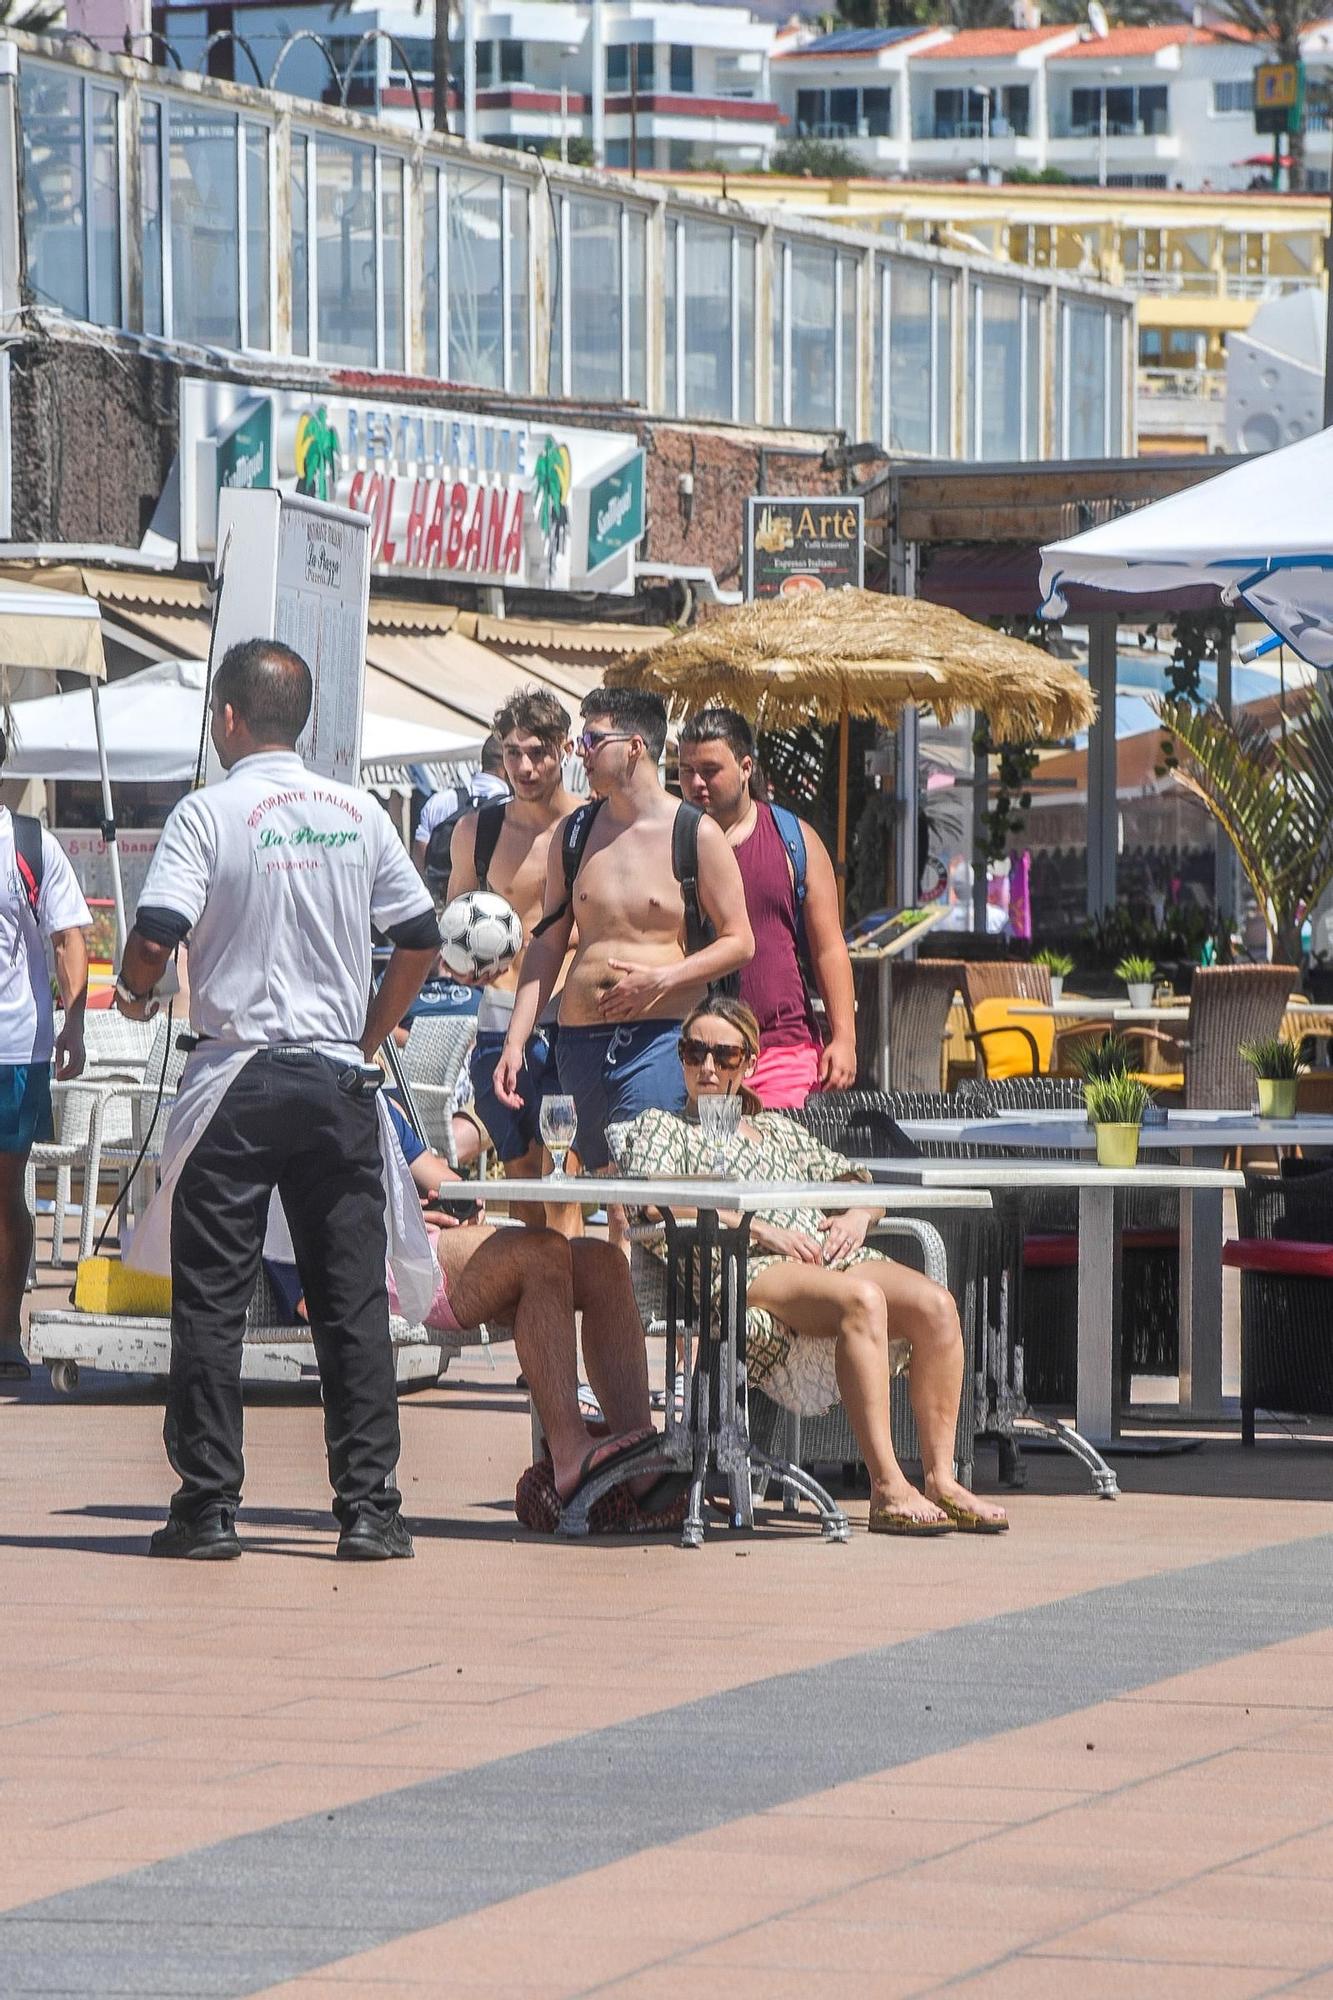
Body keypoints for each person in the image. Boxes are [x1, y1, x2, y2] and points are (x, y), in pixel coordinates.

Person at [116, 638, 441, 1563]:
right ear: (301, 720)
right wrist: (370, 1034)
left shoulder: (206, 813)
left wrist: (137, 994)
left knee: (212, 1303)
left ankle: (209, 1507)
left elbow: (155, 932)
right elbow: (418, 936)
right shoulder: (356, 810)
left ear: (226, 718)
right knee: (350, 1305)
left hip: (235, 1076)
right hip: (338, 1078)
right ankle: (371, 1510)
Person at [610, 996, 1008, 1536]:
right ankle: (887, 1486)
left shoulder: (776, 1130)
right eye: (693, 1051)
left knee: (936, 1307)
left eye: (723, 1056)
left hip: (821, 1255)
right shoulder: (663, 1127)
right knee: (862, 1301)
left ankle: (942, 1478)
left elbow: (857, 1179)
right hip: (741, 1265)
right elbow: (649, 1203)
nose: (706, 1067)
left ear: (749, 1063)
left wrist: (859, 1217)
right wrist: (752, 1226)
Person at [495, 688, 754, 1183]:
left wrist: (662, 978)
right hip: (579, 1043)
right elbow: (548, 943)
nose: (580, 752)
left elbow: (740, 941)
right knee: (602, 1182)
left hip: (660, 1036)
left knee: (642, 1189)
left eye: (592, 739)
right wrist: (515, 1040)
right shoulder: (573, 835)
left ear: (635, 746)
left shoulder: (694, 834)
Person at [446, 688, 581, 1232]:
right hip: (499, 1023)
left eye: (538, 752)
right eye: (513, 753)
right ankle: (536, 1309)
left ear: (566, 750)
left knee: (563, 1184)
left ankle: (569, 1306)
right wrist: (459, 964)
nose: (524, 766)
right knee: (520, 1178)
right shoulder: (478, 832)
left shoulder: (590, 827)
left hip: (569, 1024)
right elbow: (454, 924)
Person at [678, 707, 856, 1108]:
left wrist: (844, 1038)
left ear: (745, 767)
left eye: (710, 769)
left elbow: (829, 946)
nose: (696, 782)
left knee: (779, 1165)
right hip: (692, 1053)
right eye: (686, 770)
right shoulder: (669, 843)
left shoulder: (794, 840)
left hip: (780, 1047)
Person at [0, 747, 91, 1380]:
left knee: (3, 1193)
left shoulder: (29, 845)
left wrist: (75, 1025)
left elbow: (68, 940)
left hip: (13, 1049)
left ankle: (6, 1330)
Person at [412, 734, 509, 874]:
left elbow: (419, 857)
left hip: (439, 893)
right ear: (506, 764)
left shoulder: (440, 801)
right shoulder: (510, 807)